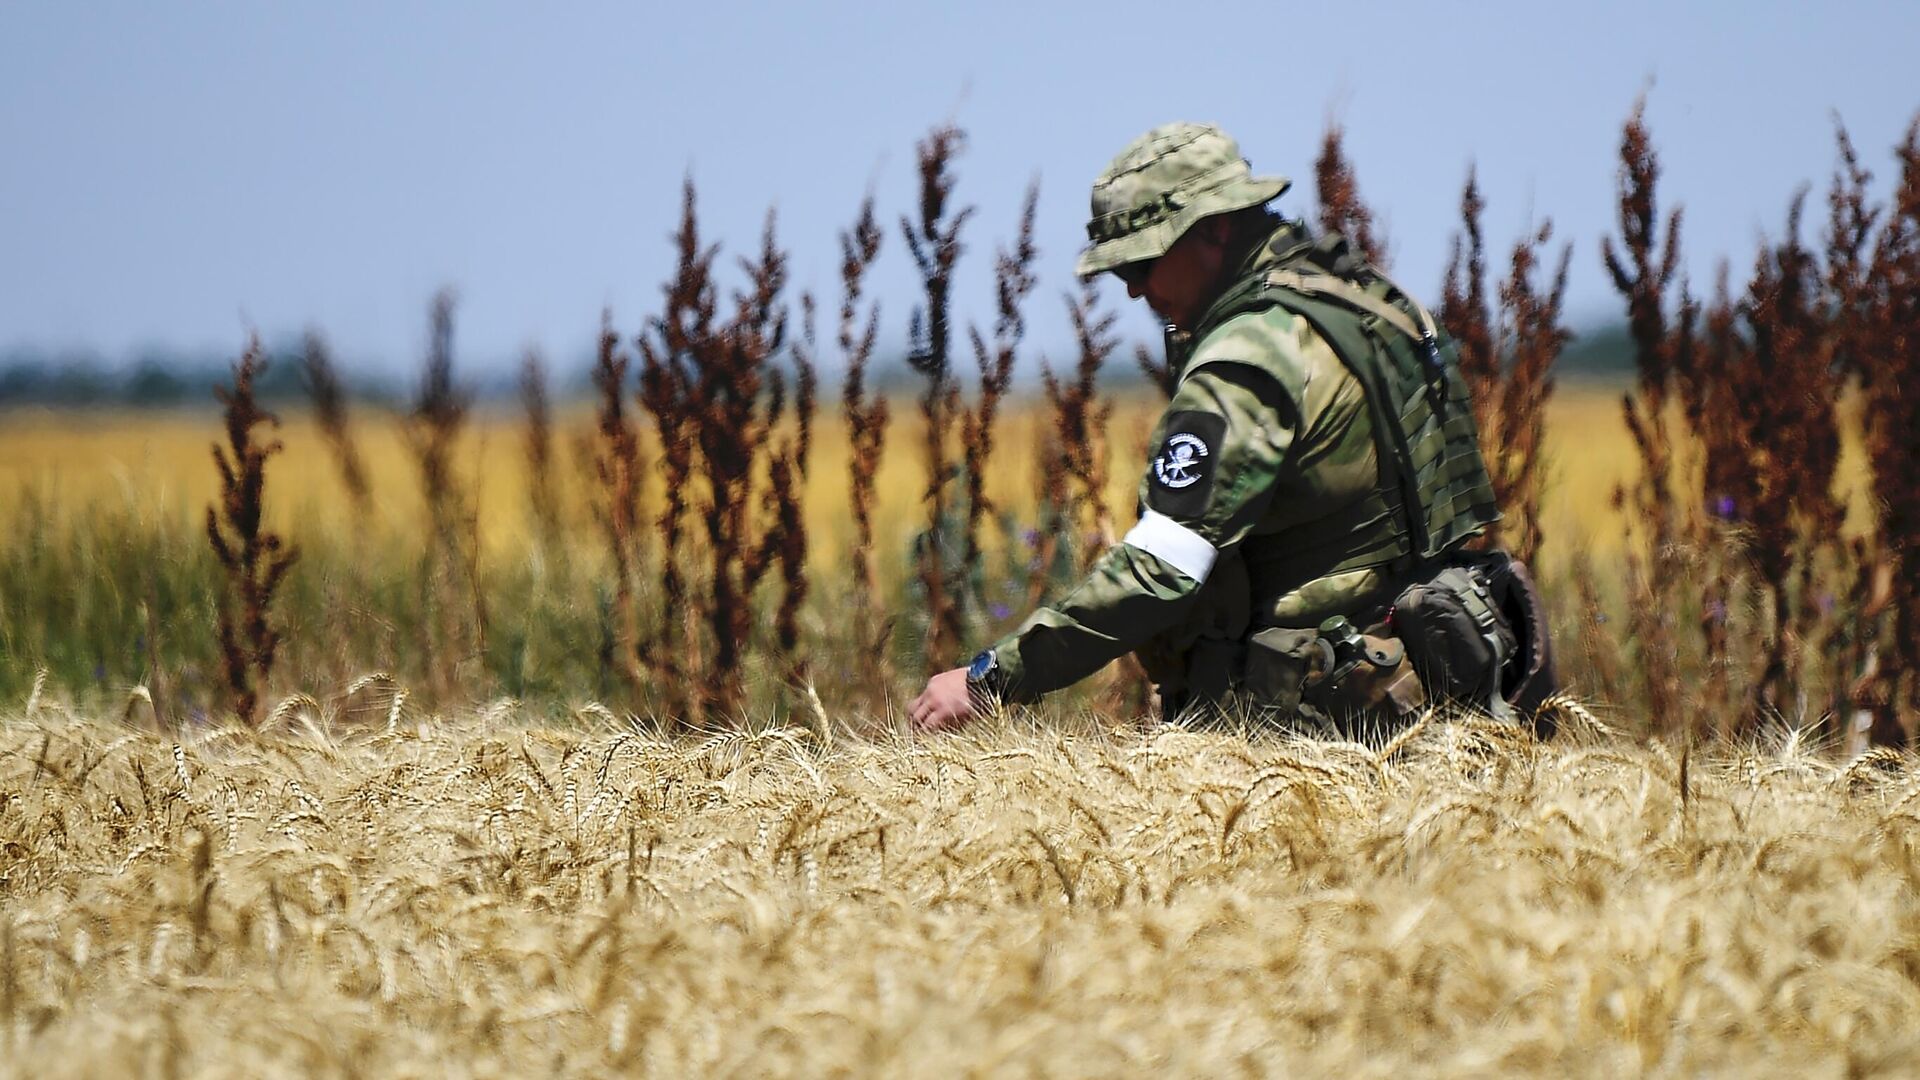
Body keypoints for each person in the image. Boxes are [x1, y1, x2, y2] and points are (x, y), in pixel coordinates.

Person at [909, 122, 1554, 735]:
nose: (1133, 292)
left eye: (1141, 265)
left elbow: (1160, 569)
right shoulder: (1367, 307)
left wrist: (988, 681)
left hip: (1314, 733)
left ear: (1213, 233)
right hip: (1436, 688)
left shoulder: (1248, 356)